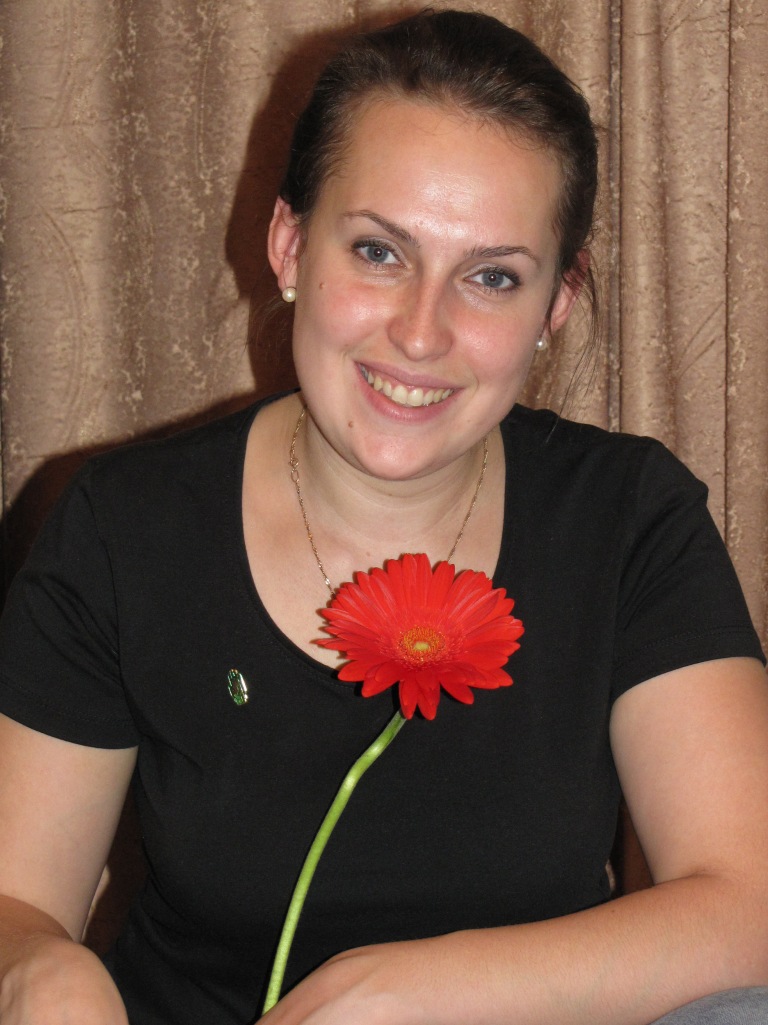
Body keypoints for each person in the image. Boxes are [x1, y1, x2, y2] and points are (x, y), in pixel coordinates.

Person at [0, 8, 766, 1025]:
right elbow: (16, 900)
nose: (420, 332)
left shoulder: (628, 518)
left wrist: (411, 991)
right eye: (377, 251)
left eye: (491, 277)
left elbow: (749, 906)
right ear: (288, 246)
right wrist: (38, 968)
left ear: (557, 305)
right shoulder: (122, 528)